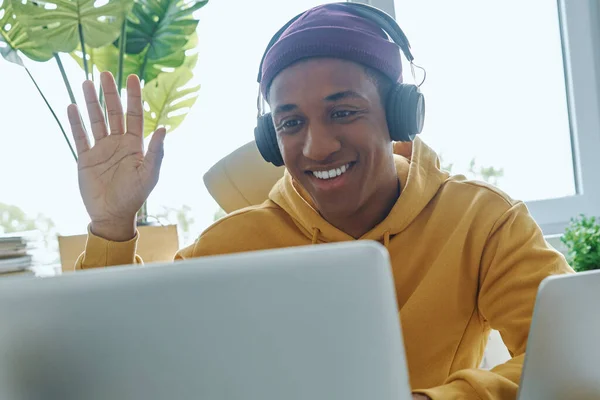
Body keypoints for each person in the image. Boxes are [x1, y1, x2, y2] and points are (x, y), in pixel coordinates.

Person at [66, 3, 572, 399]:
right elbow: (118, 362)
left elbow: (574, 354)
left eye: (343, 112)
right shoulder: (229, 245)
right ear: (270, 138)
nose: (317, 147)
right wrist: (112, 223)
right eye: (290, 123)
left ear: (398, 116)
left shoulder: (482, 220)